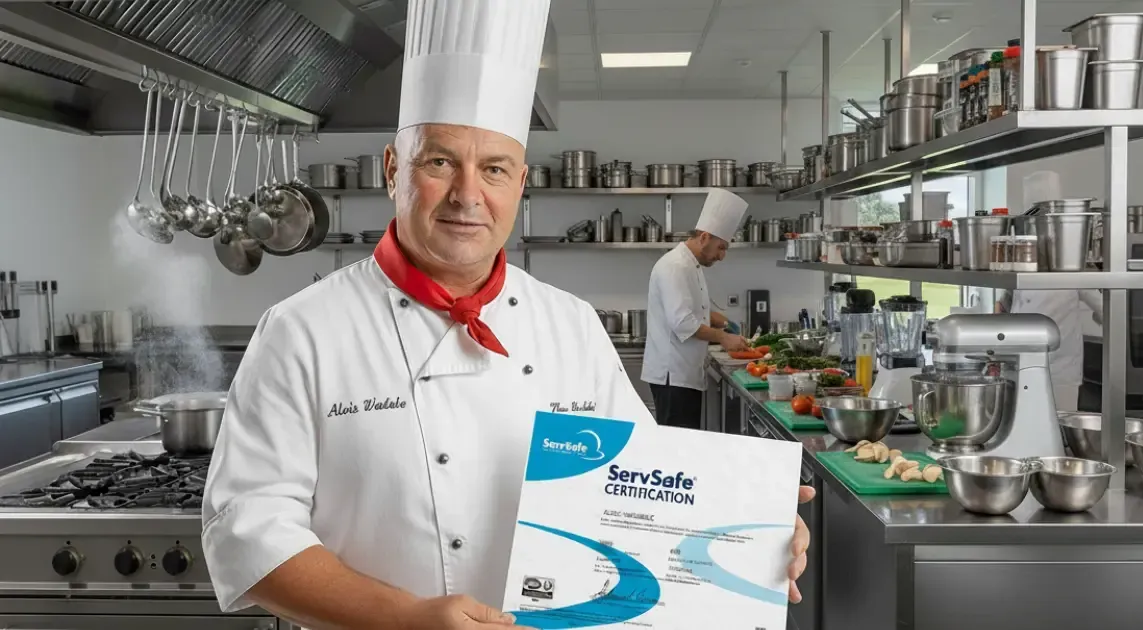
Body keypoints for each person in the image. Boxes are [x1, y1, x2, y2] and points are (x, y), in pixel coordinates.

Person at [201, 2, 814, 628]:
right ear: (393, 170)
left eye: (493, 169)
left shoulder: (570, 326)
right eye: (440, 161)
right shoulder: (302, 330)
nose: (469, 194)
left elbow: (645, 491)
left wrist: (746, 526)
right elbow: (247, 534)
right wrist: (406, 619)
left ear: (519, 185)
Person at [642, 189, 751, 430]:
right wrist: (723, 337)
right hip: (672, 377)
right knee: (677, 450)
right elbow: (682, 322)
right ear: (704, 237)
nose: (722, 257)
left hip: (684, 375)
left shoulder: (692, 265)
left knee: (685, 445)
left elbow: (694, 310)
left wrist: (723, 322)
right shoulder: (675, 266)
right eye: (721, 248)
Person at [998, 289, 1101, 412]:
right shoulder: (1023, 276)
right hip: (1017, 367)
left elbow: (1106, 308)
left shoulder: (1071, 273)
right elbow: (1006, 304)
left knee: (1059, 425)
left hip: (1059, 372)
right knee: (1020, 422)